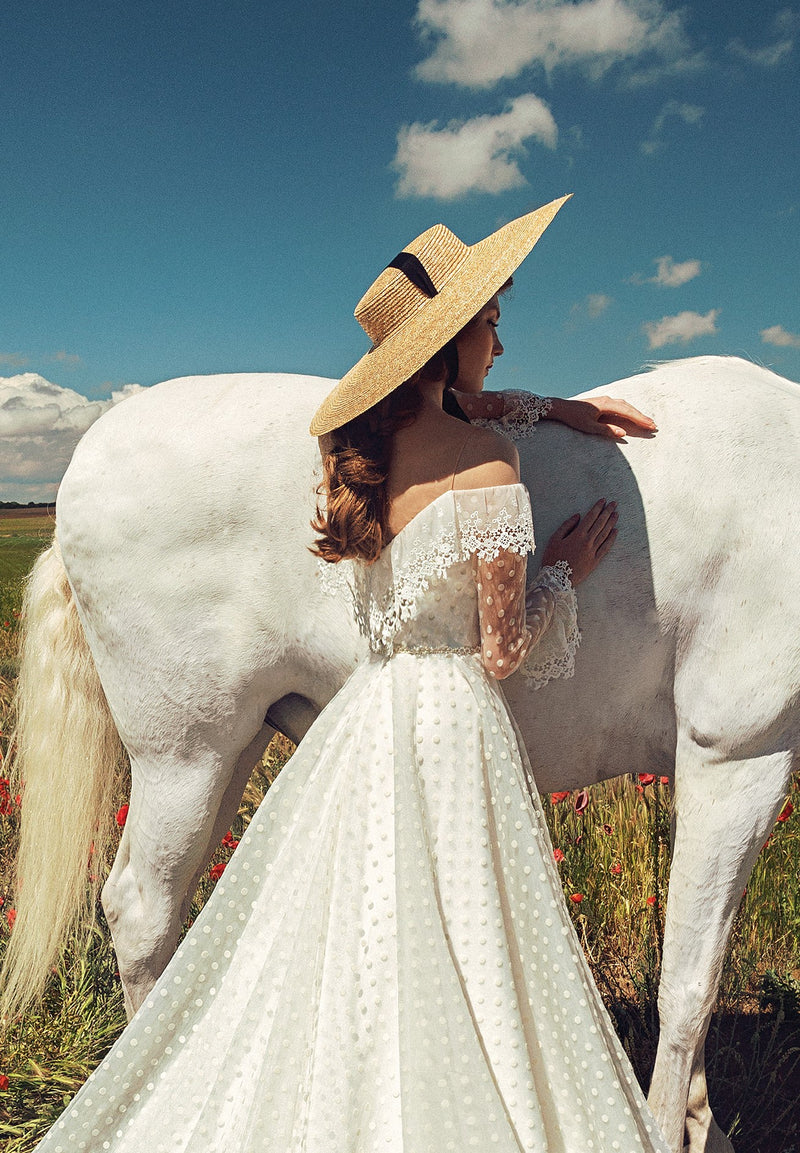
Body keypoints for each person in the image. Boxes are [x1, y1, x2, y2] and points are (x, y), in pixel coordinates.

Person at [33, 195, 669, 1152]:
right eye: (489, 324)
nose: (500, 343)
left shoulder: (355, 456)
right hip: (454, 721)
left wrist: (554, 408)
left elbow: (465, 405)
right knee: (468, 934)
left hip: (371, 715)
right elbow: (500, 652)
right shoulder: (493, 469)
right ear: (448, 341)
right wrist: (564, 571)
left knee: (363, 926)